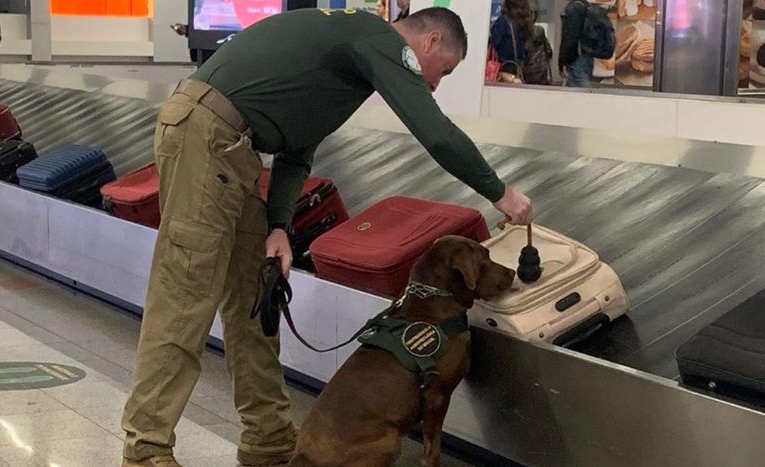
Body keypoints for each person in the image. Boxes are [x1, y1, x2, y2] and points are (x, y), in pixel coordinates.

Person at [120, 7, 533, 467]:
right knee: (185, 296)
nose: (434, 83)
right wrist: (500, 193)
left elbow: (299, 147)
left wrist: (278, 225)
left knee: (253, 304)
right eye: (445, 71)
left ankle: (269, 439)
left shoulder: (351, 58)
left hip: (232, 151)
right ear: (431, 41)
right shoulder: (378, 39)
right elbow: (434, 132)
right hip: (207, 137)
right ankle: (146, 449)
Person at [489, 0, 533, 83]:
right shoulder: (526, 23)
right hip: (518, 69)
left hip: (502, 69)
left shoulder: (503, 21)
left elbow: (495, 42)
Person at [559, 0, 592, 87]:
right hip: (586, 55)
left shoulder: (574, 9)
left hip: (576, 56)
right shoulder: (586, 6)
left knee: (581, 88)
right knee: (573, 90)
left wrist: (562, 59)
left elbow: (570, 36)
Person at [523, 9, 553, 85]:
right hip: (541, 70)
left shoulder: (522, 32)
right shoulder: (540, 30)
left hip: (526, 71)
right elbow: (549, 51)